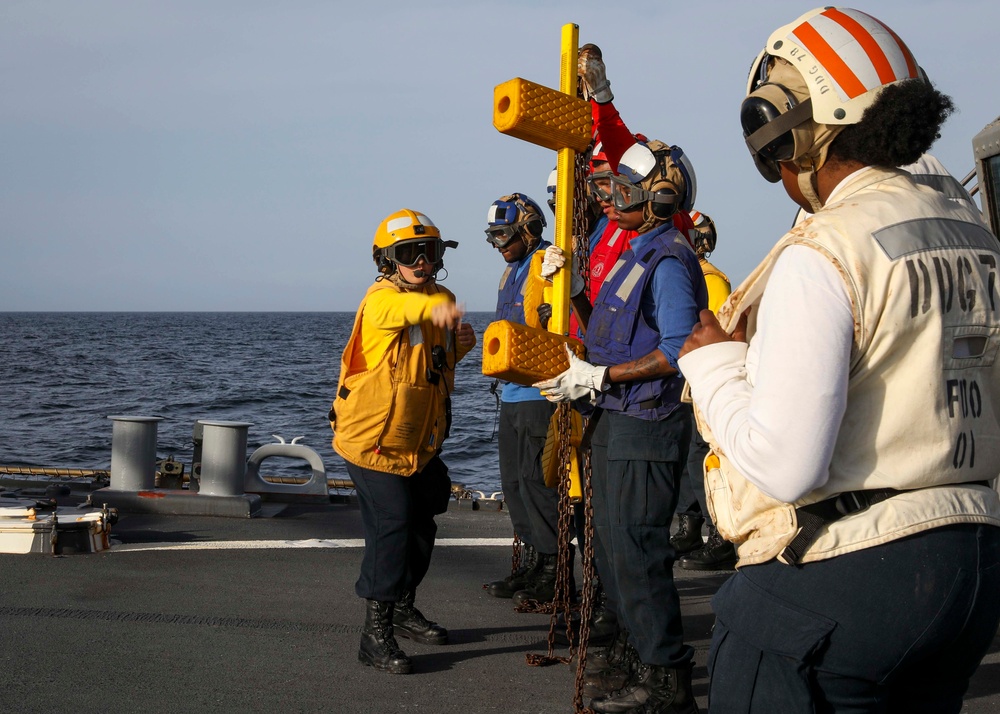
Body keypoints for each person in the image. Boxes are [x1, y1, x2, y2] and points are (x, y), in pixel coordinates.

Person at [677, 7, 1000, 712]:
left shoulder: (825, 250)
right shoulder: (976, 237)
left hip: (841, 575)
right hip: (968, 568)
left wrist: (715, 366)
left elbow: (788, 464)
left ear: (793, 128)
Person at [536, 69, 707, 710]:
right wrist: (574, 285)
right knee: (609, 543)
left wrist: (600, 377)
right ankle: (636, 657)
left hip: (644, 421)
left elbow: (677, 348)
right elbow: (604, 327)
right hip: (611, 415)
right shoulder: (631, 249)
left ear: (660, 199)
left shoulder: (667, 258)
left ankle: (667, 679)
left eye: (622, 189)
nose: (609, 198)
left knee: (637, 550)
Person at [331, 208, 476, 675]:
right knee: (391, 524)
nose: (422, 261)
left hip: (417, 442)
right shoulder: (381, 300)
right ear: (388, 261)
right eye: (409, 253)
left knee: (425, 515)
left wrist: (463, 343)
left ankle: (402, 606)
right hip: (372, 442)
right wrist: (434, 308)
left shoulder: (442, 298)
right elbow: (402, 312)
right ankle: (374, 635)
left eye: (429, 252)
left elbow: (436, 356)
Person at [482, 193, 568, 607]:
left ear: (528, 229)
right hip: (512, 393)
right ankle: (533, 561)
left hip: (539, 391)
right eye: (494, 236)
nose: (500, 244)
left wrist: (558, 277)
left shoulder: (544, 262)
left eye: (504, 234)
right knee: (514, 484)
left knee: (537, 482)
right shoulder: (511, 270)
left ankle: (555, 569)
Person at [672, 212, 738, 572]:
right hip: (684, 379)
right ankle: (689, 525)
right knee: (688, 458)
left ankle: (720, 534)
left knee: (704, 455)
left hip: (703, 381)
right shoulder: (687, 277)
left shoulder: (711, 280)